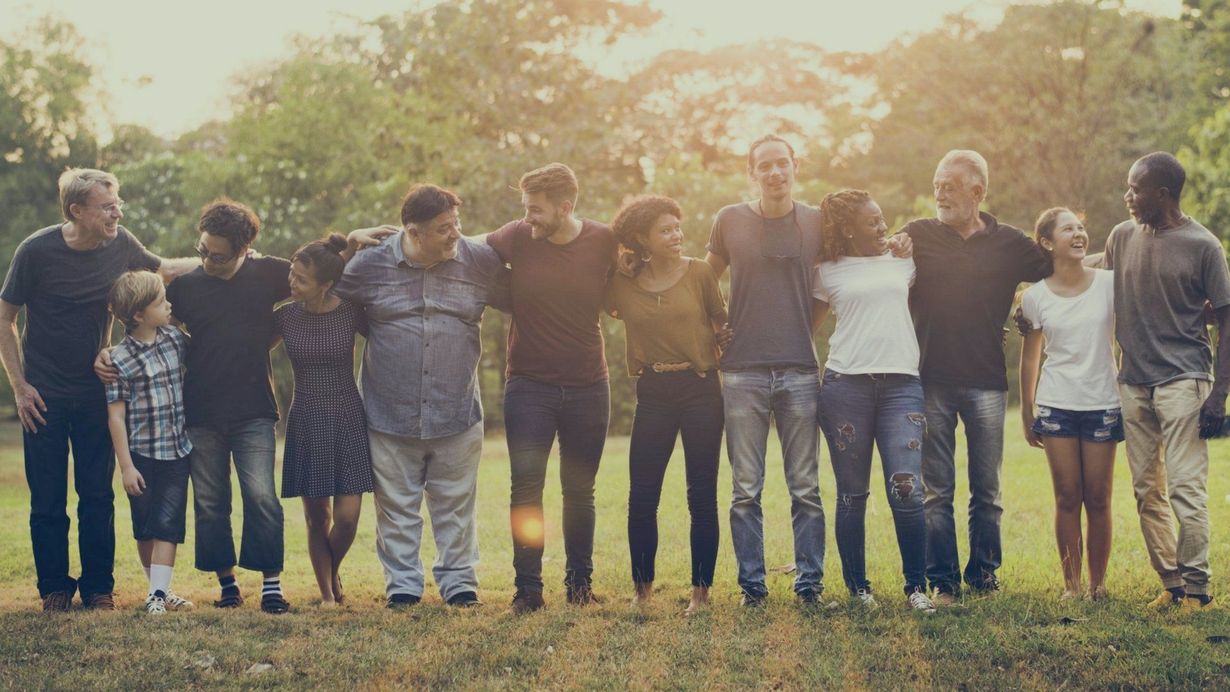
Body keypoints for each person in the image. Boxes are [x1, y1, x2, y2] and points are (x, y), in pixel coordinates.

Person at [0, 168, 196, 612]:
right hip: (43, 397)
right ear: (77, 211)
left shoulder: (120, 243)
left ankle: (97, 588)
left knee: (97, 496)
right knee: (47, 498)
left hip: (96, 391)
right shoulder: (35, 250)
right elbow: (5, 318)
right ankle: (54, 587)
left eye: (117, 204)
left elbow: (165, 270)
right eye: (107, 207)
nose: (117, 214)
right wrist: (20, 386)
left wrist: (225, 258)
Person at [335, 183, 508, 609]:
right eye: (443, 228)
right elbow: (322, 294)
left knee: (456, 505)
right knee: (396, 507)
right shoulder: (368, 265)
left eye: (456, 223)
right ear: (413, 232)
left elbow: (528, 287)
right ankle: (403, 586)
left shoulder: (479, 260)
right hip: (388, 412)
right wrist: (345, 247)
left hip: (456, 410)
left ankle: (459, 583)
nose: (455, 234)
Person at [904, 149, 1050, 605]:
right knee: (937, 491)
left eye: (949, 186)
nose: (940, 194)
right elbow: (874, 262)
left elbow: (1060, 269)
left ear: (977, 192)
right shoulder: (917, 235)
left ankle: (984, 575)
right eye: (936, 186)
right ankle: (943, 581)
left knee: (988, 490)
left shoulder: (1010, 243)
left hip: (987, 380)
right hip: (931, 379)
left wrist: (1118, 254)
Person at [148, 199, 292, 614]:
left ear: (244, 249)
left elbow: (316, 279)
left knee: (261, 495)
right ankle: (227, 584)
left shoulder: (270, 273)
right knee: (210, 502)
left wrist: (268, 337)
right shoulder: (186, 287)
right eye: (202, 250)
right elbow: (147, 320)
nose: (207, 260)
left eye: (218, 255)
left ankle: (271, 585)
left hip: (254, 408)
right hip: (200, 410)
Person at [488, 164, 617, 614]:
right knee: (526, 489)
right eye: (525, 208)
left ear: (565, 207)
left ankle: (580, 586)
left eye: (536, 210)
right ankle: (528, 590)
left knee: (580, 490)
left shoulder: (603, 240)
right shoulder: (517, 236)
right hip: (529, 387)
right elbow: (462, 247)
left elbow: (636, 272)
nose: (528, 217)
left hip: (588, 385)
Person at [1104, 152, 1230, 610]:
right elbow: (1088, 285)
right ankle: (1172, 584)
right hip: (1133, 380)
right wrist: (1033, 300)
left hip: (1184, 379)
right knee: (1146, 490)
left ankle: (1198, 589)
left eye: (1135, 189)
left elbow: (1227, 320)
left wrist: (1219, 394)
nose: (1128, 196)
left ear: (1162, 194)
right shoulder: (1121, 236)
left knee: (1185, 488)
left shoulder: (1204, 246)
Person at [812, 190, 935, 613]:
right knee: (852, 494)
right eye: (872, 222)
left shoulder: (904, 260)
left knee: (907, 489)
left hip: (903, 385)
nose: (883, 227)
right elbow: (806, 328)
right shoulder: (826, 270)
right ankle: (858, 590)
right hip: (846, 387)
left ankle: (916, 587)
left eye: (883, 219)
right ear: (848, 229)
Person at [606, 195, 726, 614]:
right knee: (642, 494)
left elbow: (721, 323)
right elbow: (593, 268)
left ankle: (700, 593)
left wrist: (723, 342)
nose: (676, 235)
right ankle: (642, 591)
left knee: (702, 494)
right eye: (665, 230)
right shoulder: (621, 282)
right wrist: (620, 259)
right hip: (654, 389)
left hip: (700, 388)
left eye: (677, 227)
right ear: (642, 238)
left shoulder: (700, 272)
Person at [1019, 208, 1119, 601]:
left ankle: (1098, 585)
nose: (1078, 234)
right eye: (1067, 229)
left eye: (1081, 228)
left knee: (1098, 497)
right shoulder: (1035, 296)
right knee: (1066, 495)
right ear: (1047, 242)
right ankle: (1072, 587)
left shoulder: (1110, 284)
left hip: (1102, 402)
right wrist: (1027, 411)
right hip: (1056, 405)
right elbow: (1030, 357)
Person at [274, 234, 374, 607]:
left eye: (301, 279)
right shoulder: (285, 316)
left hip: (347, 414)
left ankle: (331, 572)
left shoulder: (351, 310)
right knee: (318, 517)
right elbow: (246, 347)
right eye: (292, 273)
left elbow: (389, 335)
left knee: (347, 517)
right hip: (307, 417)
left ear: (326, 284)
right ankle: (328, 594)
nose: (292, 282)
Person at [103, 271, 195, 615]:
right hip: (141, 455)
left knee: (168, 524)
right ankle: (159, 589)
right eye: (161, 302)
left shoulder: (175, 339)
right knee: (144, 528)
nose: (169, 305)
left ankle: (157, 594)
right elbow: (116, 416)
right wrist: (126, 467)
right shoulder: (118, 360)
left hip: (176, 452)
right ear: (139, 314)